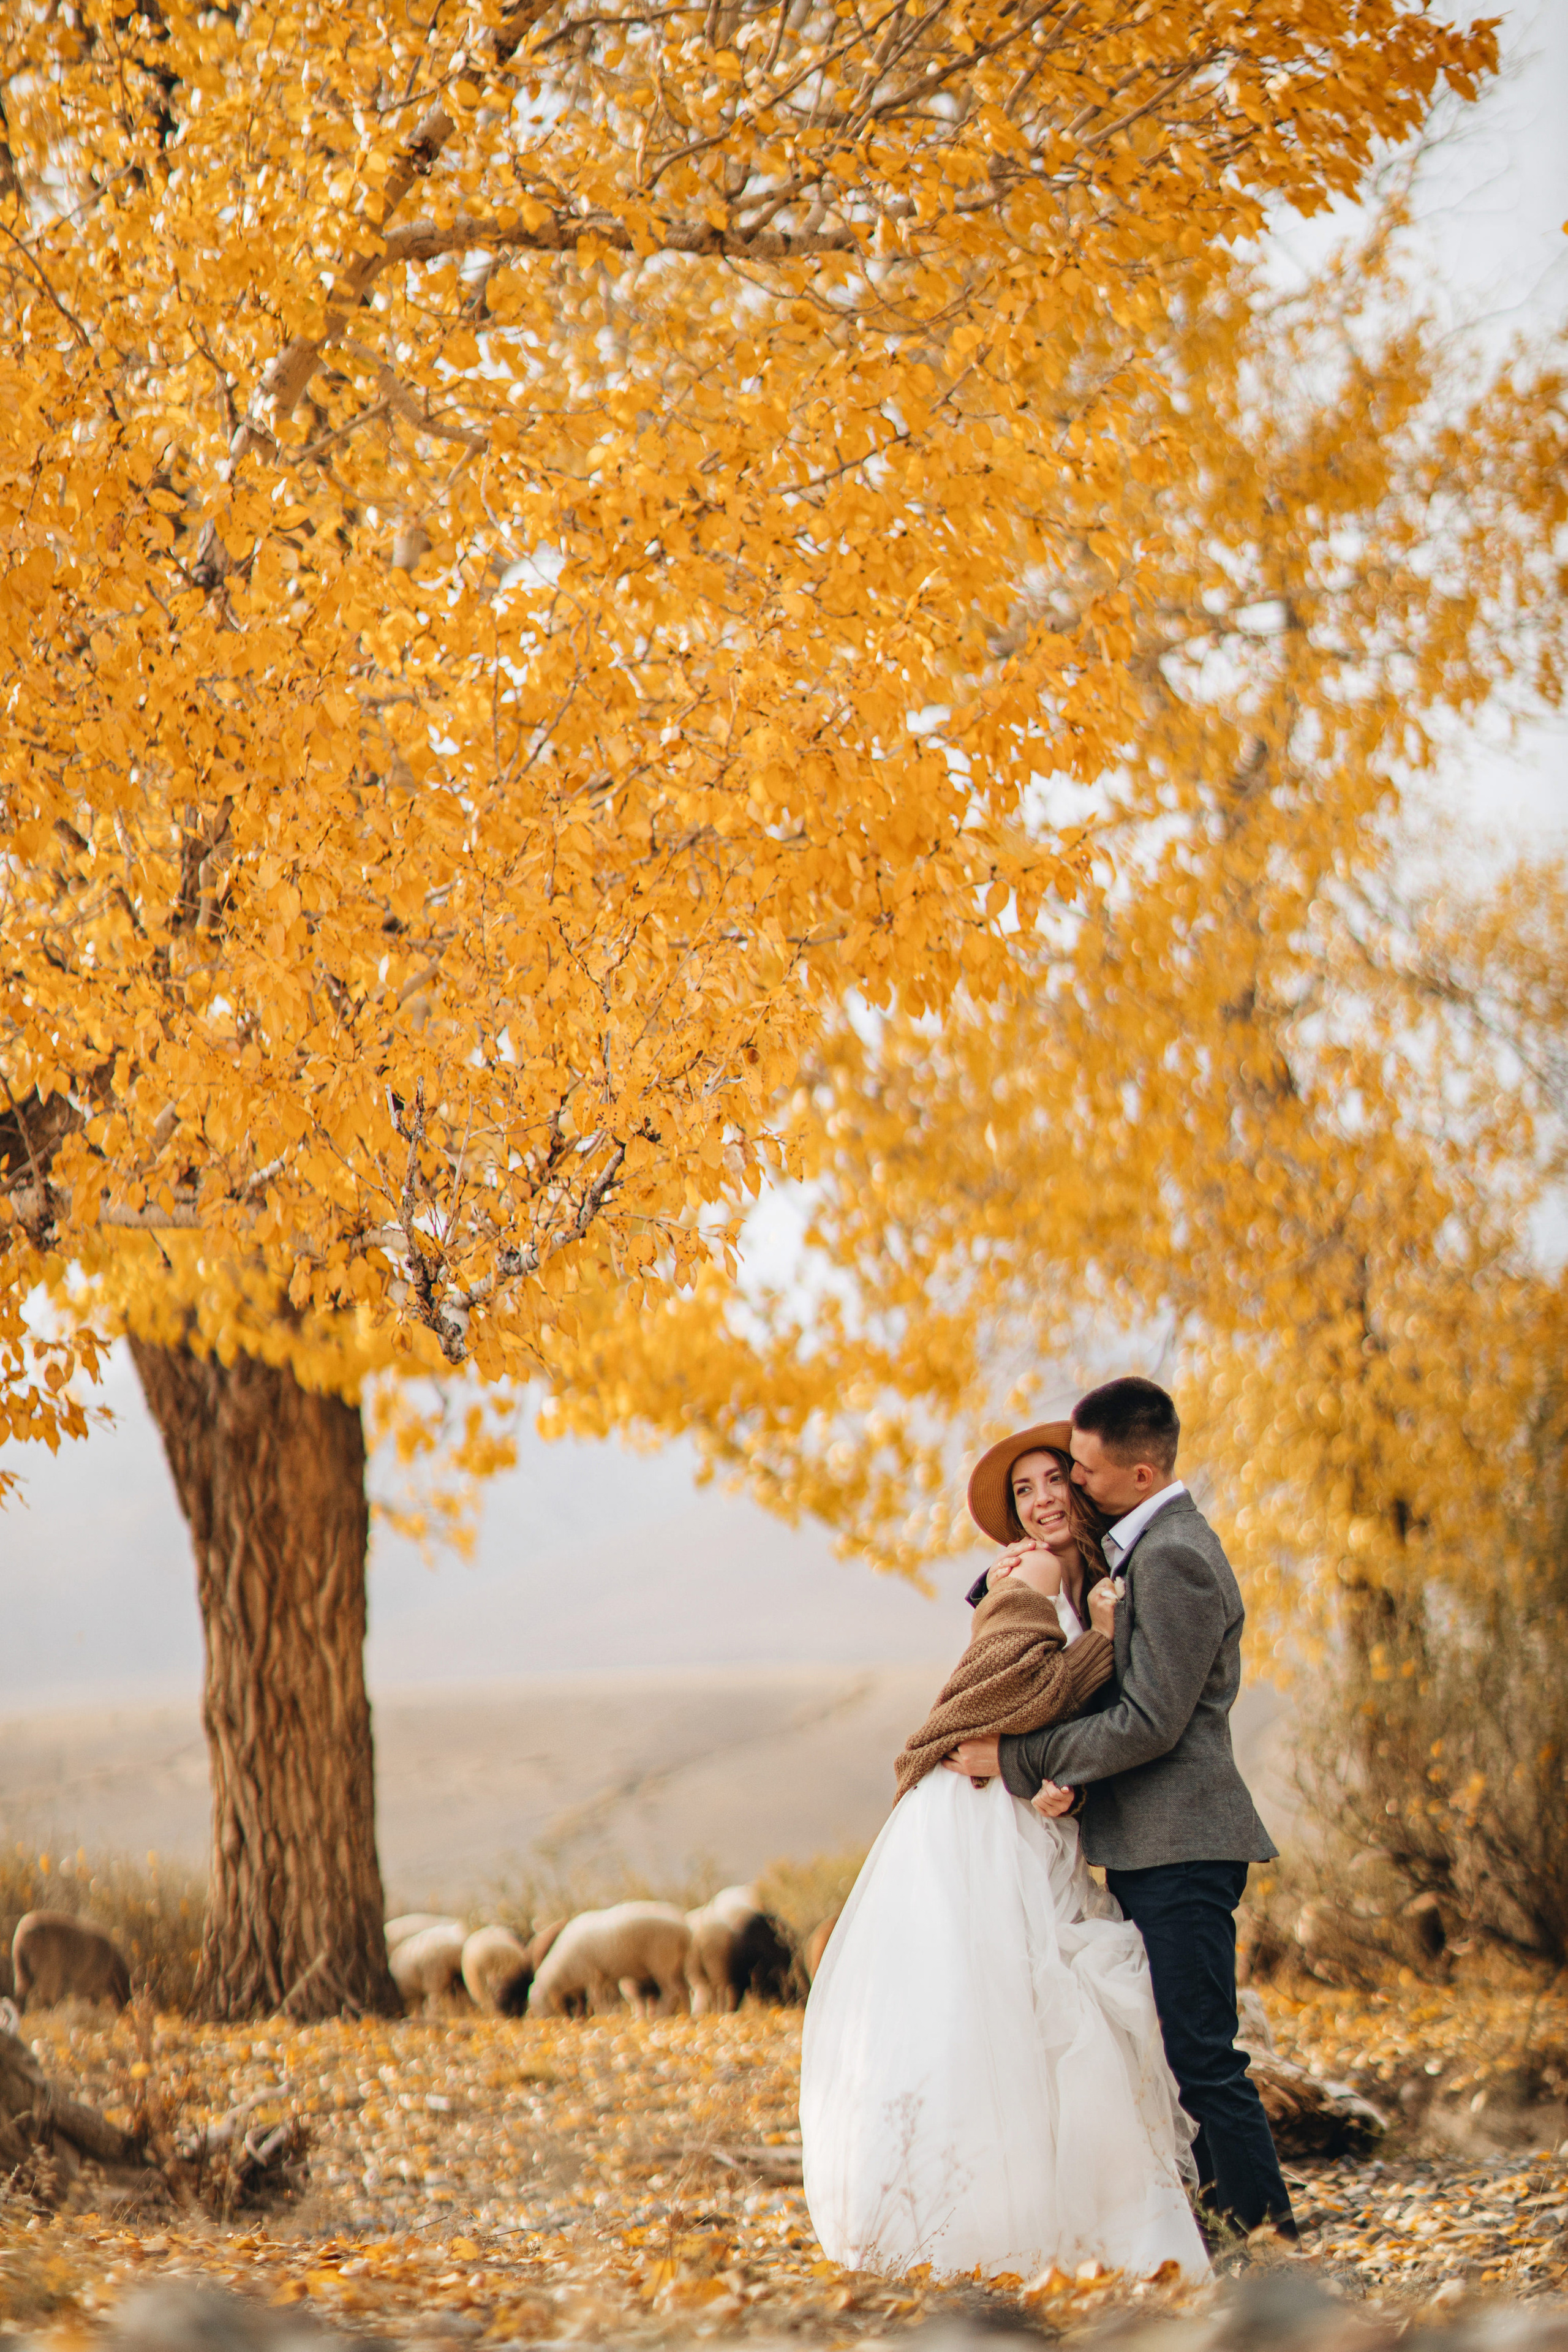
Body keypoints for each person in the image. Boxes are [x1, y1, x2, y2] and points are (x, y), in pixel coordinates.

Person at [799, 1428, 1208, 2283]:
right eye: (1024, 1491)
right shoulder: (1028, 1576)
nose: (1042, 1500)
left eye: (1054, 1480)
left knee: (1034, 2003)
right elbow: (1016, 1694)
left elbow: (1072, 1730)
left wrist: (1063, 1781)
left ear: (1084, 1486)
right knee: (993, 1997)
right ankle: (989, 2215)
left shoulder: (1101, 1577)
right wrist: (1090, 1654)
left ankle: (1049, 2211)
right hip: (981, 1815)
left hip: (1027, 1810)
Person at [944, 1375, 1296, 2248]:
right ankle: (1229, 2233)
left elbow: (1150, 1721)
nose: (1073, 1486)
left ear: (1141, 1474)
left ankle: (1272, 2248)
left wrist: (1020, 1762)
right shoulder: (1130, 1553)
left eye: (1085, 1472)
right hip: (1150, 1844)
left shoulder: (1174, 1555)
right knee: (1177, 2057)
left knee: (1205, 2060)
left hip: (1183, 1845)